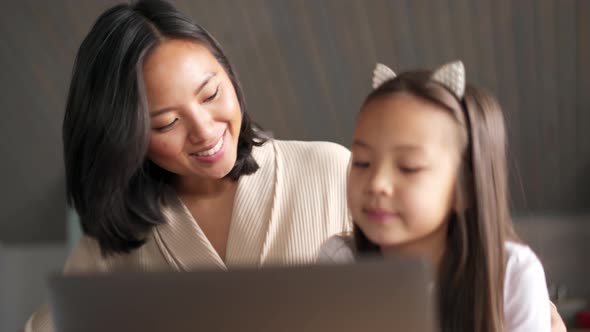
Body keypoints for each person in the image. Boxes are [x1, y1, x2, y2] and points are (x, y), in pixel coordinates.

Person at [25, 1, 350, 331]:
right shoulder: (113, 244)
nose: (205, 131)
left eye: (210, 94)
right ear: (126, 138)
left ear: (229, 73)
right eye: (167, 123)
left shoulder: (333, 171)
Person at [318, 61, 555, 331]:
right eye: (362, 162)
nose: (377, 183)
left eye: (408, 167)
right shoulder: (338, 262)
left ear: (464, 190)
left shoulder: (511, 274)